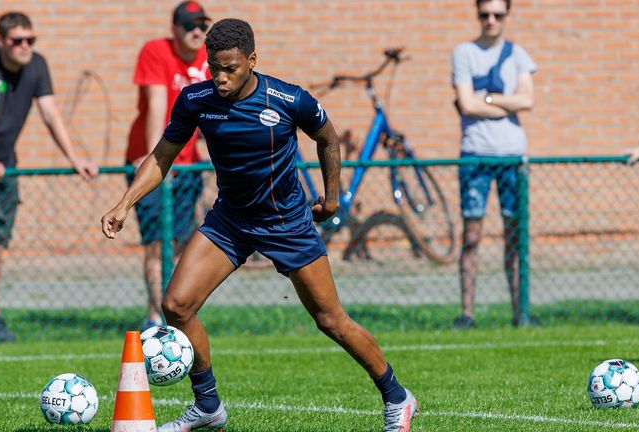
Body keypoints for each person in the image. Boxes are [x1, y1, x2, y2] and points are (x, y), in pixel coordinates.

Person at [102, 18, 418, 432]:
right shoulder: (195, 100)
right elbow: (162, 156)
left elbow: (328, 138)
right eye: (214, 67)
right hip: (230, 220)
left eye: (230, 68)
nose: (220, 77)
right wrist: (124, 204)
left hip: (287, 223)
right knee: (176, 305)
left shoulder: (288, 99)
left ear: (252, 60)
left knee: (331, 321)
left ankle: (397, 395)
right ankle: (208, 405)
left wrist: (332, 197)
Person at [0, 11, 98, 342]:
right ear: (2, 42)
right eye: (17, 41)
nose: (25, 46)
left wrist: (74, 158)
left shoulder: (37, 66)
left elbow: (51, 114)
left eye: (31, 40)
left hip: (6, 163)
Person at [125, 1, 212, 331]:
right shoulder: (156, 51)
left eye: (202, 26)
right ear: (175, 28)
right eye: (190, 26)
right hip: (154, 161)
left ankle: (175, 312)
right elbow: (156, 106)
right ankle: (154, 316)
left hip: (188, 167)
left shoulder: (209, 59)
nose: (197, 32)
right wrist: (155, 161)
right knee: (156, 244)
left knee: (181, 243)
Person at [451, 0, 536, 328]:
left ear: (506, 16)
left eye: (497, 15)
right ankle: (467, 314)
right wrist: (506, 104)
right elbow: (466, 105)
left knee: (514, 236)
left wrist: (485, 99)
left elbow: (527, 100)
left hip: (512, 156)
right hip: (475, 154)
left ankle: (520, 312)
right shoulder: (464, 53)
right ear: (477, 14)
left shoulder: (518, 55)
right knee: (472, 236)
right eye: (485, 14)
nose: (491, 20)